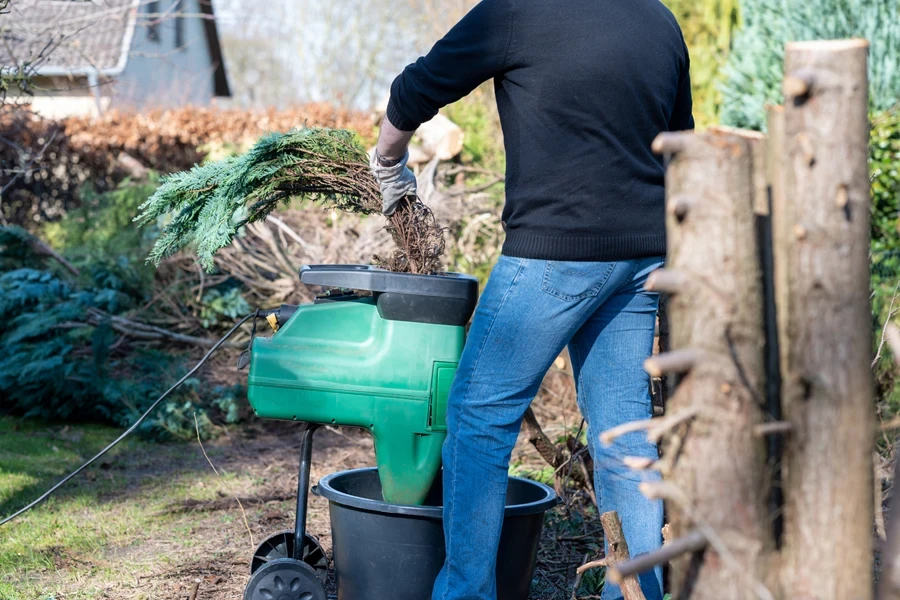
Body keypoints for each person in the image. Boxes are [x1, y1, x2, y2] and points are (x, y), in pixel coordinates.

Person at [370, 1, 694, 598]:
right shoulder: (658, 19)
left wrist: (387, 161)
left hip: (555, 252)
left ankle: (465, 591)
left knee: (477, 417)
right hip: (643, 255)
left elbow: (419, 85)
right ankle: (637, 593)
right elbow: (681, 143)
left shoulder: (518, 10)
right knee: (625, 436)